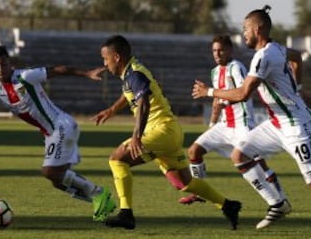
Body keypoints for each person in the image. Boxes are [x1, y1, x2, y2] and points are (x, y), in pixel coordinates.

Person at [92, 35, 242, 230]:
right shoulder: (132, 73)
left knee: (117, 159)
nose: (104, 63)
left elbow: (143, 101)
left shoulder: (134, 74)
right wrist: (112, 110)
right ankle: (228, 205)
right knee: (183, 183)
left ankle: (125, 213)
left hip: (161, 130)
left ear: (117, 57)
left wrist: (137, 136)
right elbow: (131, 93)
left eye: (106, 58)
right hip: (170, 132)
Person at [192, 5, 311, 229]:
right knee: (240, 155)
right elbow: (297, 57)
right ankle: (277, 203)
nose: (244, 34)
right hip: (277, 123)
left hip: (296, 124)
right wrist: (297, 88)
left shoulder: (263, 57)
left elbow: (242, 93)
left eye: (246, 29)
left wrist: (208, 92)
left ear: (258, 29)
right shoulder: (277, 48)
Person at [0, 45, 115, 222]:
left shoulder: (25, 76)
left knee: (49, 172)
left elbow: (58, 70)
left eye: (3, 64)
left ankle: (99, 194)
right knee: (57, 181)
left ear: (10, 64)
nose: (0, 69)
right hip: (51, 134)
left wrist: (87, 73)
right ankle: (101, 199)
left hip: (61, 126)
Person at [179, 35, 287, 206]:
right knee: (194, 152)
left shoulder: (236, 67)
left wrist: (225, 100)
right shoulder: (215, 72)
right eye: (214, 50)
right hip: (224, 125)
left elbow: (245, 93)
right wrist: (212, 125)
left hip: (242, 125)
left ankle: (280, 198)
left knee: (260, 164)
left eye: (221, 50)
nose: (217, 53)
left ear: (229, 50)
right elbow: (216, 98)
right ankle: (199, 192)